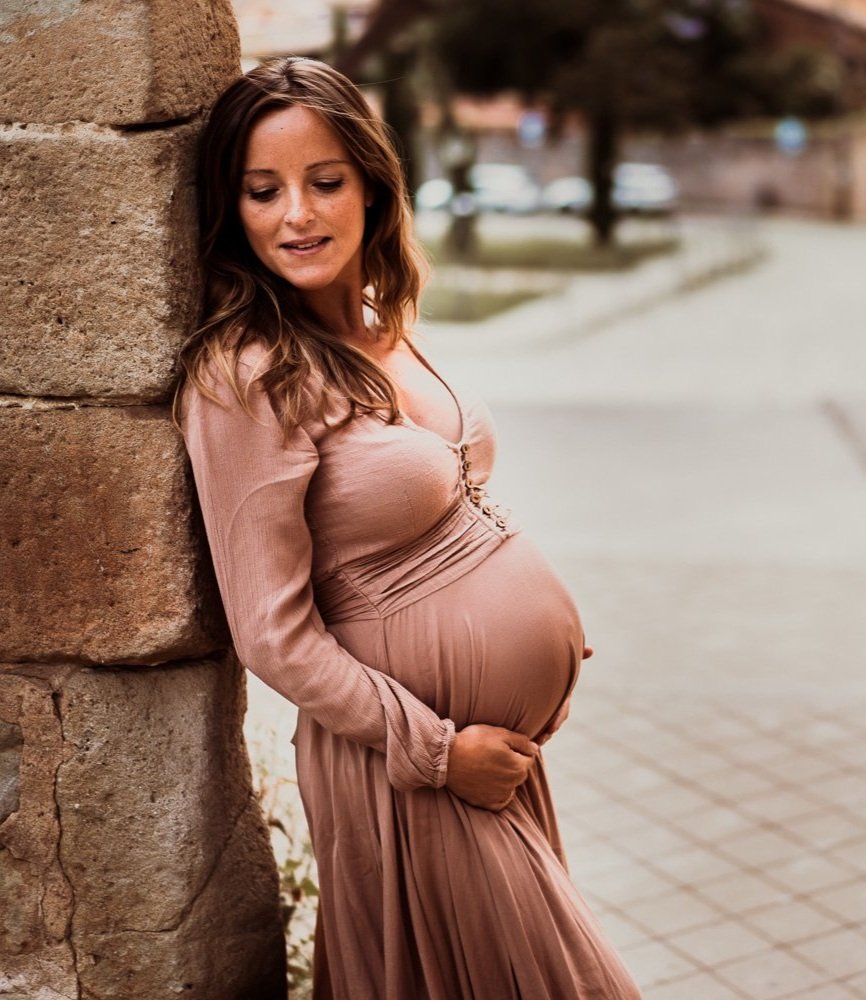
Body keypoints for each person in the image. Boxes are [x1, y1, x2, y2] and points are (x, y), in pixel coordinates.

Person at [175, 56, 641, 999]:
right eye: (263, 192)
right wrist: (437, 751)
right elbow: (272, 633)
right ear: (232, 210)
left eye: (325, 182)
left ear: (373, 187)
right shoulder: (245, 377)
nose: (297, 215)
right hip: (410, 771)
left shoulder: (384, 321)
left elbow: (442, 496)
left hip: (486, 758)